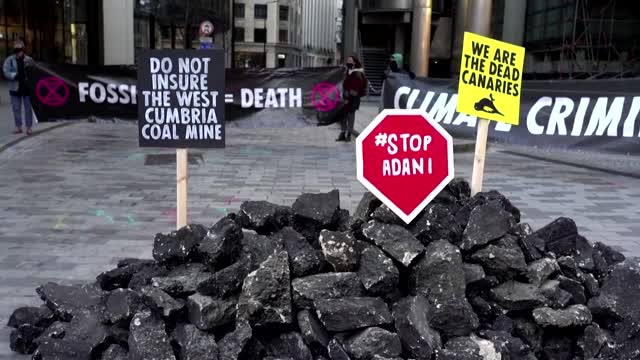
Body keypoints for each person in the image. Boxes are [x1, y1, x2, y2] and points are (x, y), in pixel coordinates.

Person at [3, 40, 34, 135]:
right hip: (15, 88)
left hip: (27, 88)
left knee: (28, 109)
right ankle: (18, 127)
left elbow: (34, 71)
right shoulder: (9, 60)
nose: (18, 52)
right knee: (16, 108)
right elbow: (5, 71)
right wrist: (14, 75)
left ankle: (29, 127)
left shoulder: (29, 59)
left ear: (23, 50)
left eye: (20, 50)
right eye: (16, 50)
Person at [337, 55, 367, 142]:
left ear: (354, 62)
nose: (348, 62)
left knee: (350, 116)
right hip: (345, 97)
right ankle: (343, 133)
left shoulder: (357, 73)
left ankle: (349, 134)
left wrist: (348, 98)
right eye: (348, 60)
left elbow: (355, 88)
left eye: (350, 61)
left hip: (352, 99)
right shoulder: (348, 71)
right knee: (343, 116)